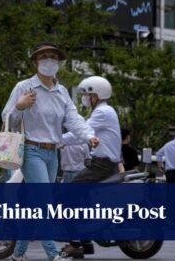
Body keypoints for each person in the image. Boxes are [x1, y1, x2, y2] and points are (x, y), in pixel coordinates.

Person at [2, 42, 98, 261]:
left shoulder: (61, 91)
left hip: (52, 153)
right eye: (43, 56)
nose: (48, 61)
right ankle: (53, 255)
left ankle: (18, 255)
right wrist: (20, 105)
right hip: (30, 150)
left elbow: (73, 119)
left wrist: (89, 136)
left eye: (53, 57)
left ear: (59, 62)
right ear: (35, 61)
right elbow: (7, 118)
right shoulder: (24, 87)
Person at [60, 76, 123, 258]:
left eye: (88, 94)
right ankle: (85, 242)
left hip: (101, 165)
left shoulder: (102, 112)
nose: (85, 98)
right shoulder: (105, 111)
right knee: (79, 198)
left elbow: (82, 133)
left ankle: (75, 244)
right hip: (102, 164)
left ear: (97, 95)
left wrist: (56, 141)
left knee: (66, 195)